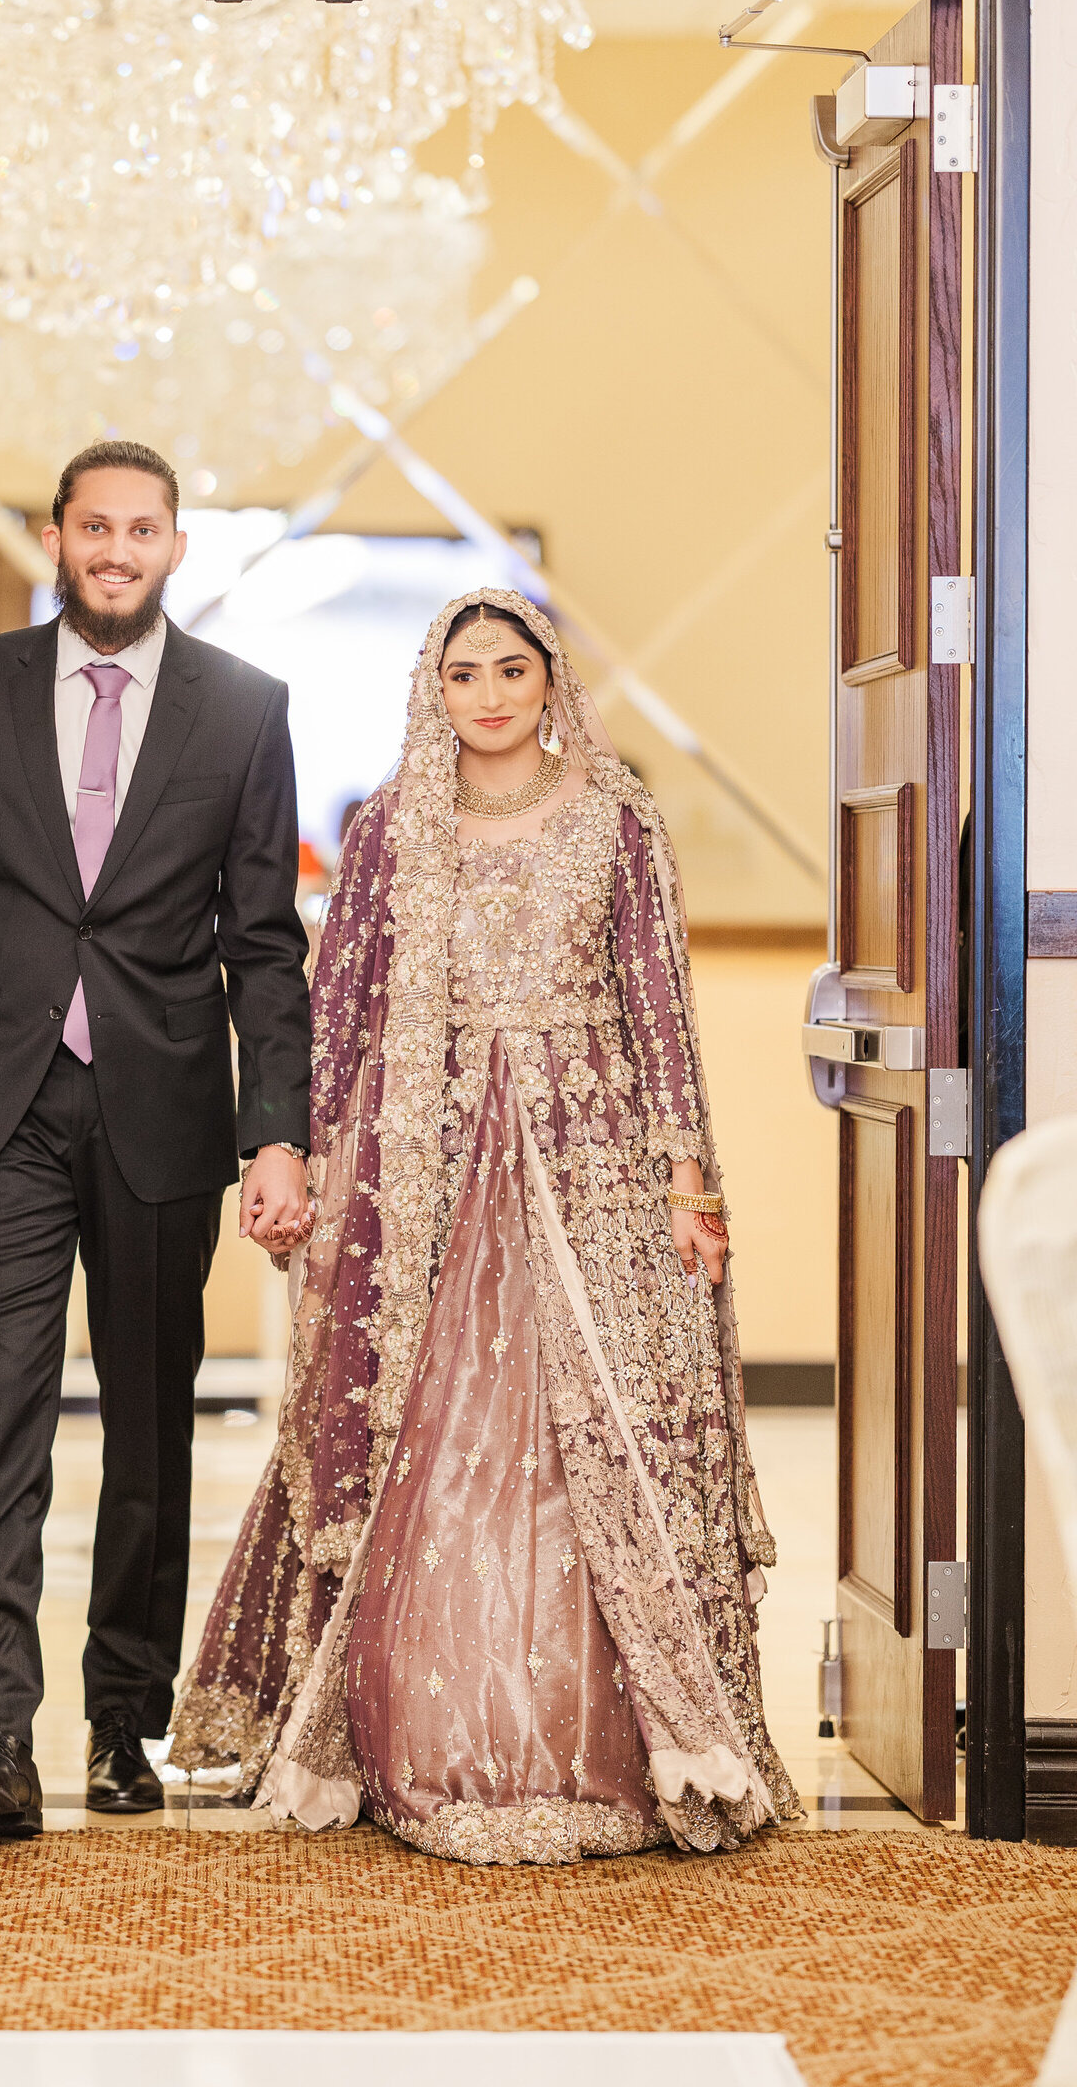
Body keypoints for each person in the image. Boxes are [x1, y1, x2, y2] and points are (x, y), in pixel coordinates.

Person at [172, 586, 801, 1863]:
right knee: (435, 1428)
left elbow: (657, 1007)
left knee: (595, 1435)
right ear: (434, 689)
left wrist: (689, 1183)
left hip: (591, 1164)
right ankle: (429, 1733)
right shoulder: (393, 828)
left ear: (550, 678)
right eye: (464, 674)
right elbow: (340, 1004)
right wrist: (308, 1157)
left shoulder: (619, 820)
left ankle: (619, 1736)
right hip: (432, 1168)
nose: (490, 695)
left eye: (512, 669)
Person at [0, 440, 313, 1841]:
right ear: (55, 538)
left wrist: (277, 1137)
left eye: (143, 529)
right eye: (94, 527)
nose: (116, 549)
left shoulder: (244, 710)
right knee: (2, 1407)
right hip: (0, 1104)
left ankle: (126, 1719)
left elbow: (263, 946)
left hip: (164, 1108)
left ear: (178, 545)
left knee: (145, 1422)